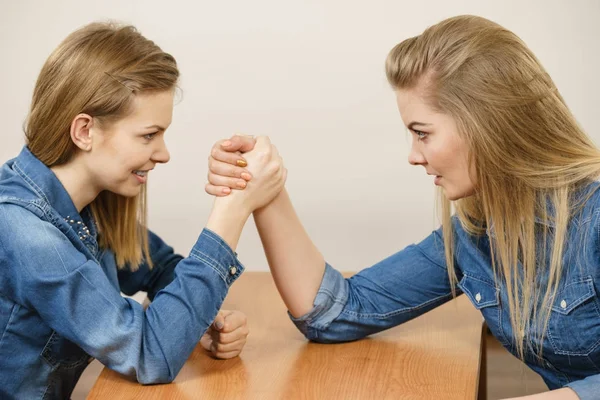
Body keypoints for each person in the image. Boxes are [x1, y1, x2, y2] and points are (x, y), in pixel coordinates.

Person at [206, 15, 600, 400]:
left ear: (486, 123)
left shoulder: (594, 216)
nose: (413, 156)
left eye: (422, 134)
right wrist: (265, 188)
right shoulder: (475, 233)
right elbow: (334, 312)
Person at [0, 22, 286, 399]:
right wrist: (232, 210)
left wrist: (198, 320)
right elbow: (150, 355)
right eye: (149, 135)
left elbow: (162, 268)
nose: (163, 153)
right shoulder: (26, 232)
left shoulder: (87, 207)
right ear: (84, 131)